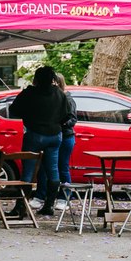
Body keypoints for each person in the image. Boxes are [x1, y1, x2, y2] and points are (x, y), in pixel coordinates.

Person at [8, 66, 67, 216]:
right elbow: (66, 115)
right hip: (55, 135)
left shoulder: (29, 93)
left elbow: (14, 111)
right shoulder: (60, 94)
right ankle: (49, 205)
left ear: (36, 79)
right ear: (52, 79)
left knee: (28, 172)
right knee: (53, 170)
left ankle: (21, 207)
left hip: (34, 134)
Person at [55, 72, 78, 211]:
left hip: (65, 136)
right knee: (51, 168)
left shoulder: (68, 99)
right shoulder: (54, 98)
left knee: (63, 166)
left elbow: (73, 119)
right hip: (55, 135)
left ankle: (64, 197)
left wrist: (60, 124)